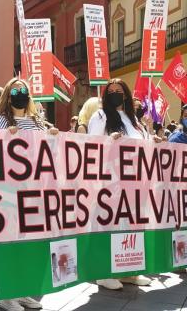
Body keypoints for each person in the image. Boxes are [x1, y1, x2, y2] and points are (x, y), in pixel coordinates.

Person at [0, 78, 56, 311]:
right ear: (8, 95)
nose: (20, 93)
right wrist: (5, 136)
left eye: (24, 90)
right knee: (10, 243)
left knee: (29, 244)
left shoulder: (37, 121)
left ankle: (23, 289)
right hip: (8, 191)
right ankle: (6, 294)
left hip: (34, 190)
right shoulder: (0, 121)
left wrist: (54, 136)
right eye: (15, 90)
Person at [88, 78, 155, 290]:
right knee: (110, 225)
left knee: (132, 226)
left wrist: (153, 138)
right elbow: (91, 145)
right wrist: (110, 141)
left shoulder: (134, 120)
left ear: (125, 95)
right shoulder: (100, 116)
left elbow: (145, 148)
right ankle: (103, 272)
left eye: (119, 90)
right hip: (111, 182)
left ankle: (130, 271)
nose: (115, 93)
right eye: (111, 91)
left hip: (136, 182)